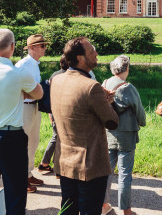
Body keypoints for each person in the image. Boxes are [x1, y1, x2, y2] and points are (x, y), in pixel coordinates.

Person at [0, 29, 43, 215]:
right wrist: (22, 91)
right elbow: (39, 93)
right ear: (12, 47)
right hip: (9, 135)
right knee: (15, 189)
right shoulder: (17, 73)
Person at [51, 37, 119, 215]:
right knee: (90, 211)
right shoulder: (91, 86)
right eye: (91, 51)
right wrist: (110, 103)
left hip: (65, 160)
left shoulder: (56, 80)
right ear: (80, 58)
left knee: (68, 209)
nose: (96, 54)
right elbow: (112, 122)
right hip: (90, 165)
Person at [101, 55, 147, 215]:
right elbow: (139, 110)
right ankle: (126, 210)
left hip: (108, 132)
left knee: (107, 171)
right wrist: (143, 122)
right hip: (126, 135)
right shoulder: (128, 87)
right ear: (126, 69)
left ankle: (104, 204)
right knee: (125, 174)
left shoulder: (105, 84)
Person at [16, 34, 49, 193]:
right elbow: (15, 86)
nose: (44, 48)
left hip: (34, 106)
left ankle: (28, 174)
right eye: (41, 45)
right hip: (25, 107)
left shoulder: (34, 64)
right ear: (31, 48)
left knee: (33, 142)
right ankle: (21, 179)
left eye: (44, 45)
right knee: (23, 144)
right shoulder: (23, 64)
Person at [37, 53, 69, 177]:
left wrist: (50, 112)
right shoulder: (66, 76)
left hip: (54, 110)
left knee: (57, 136)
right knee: (61, 137)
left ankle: (45, 163)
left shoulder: (55, 74)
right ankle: (57, 168)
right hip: (62, 111)